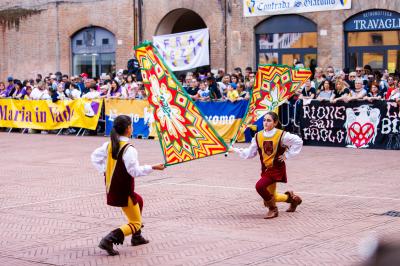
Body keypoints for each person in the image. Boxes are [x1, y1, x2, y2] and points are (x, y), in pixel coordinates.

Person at [91, 115, 165, 255]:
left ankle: (136, 237)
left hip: (114, 187)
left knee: (139, 200)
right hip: (124, 190)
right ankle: (109, 239)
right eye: (131, 126)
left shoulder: (109, 144)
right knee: (135, 223)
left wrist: (105, 171)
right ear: (128, 129)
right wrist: (153, 167)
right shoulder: (129, 149)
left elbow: (94, 157)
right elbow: (134, 172)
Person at [231, 111, 303, 219]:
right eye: (264, 120)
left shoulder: (282, 135)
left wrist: (287, 155)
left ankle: (273, 209)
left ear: (275, 123)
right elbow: (250, 153)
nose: (265, 122)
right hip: (265, 169)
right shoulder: (258, 136)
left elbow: (298, 141)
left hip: (276, 169)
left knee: (260, 186)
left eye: (269, 120)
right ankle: (292, 199)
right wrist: (235, 150)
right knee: (270, 197)